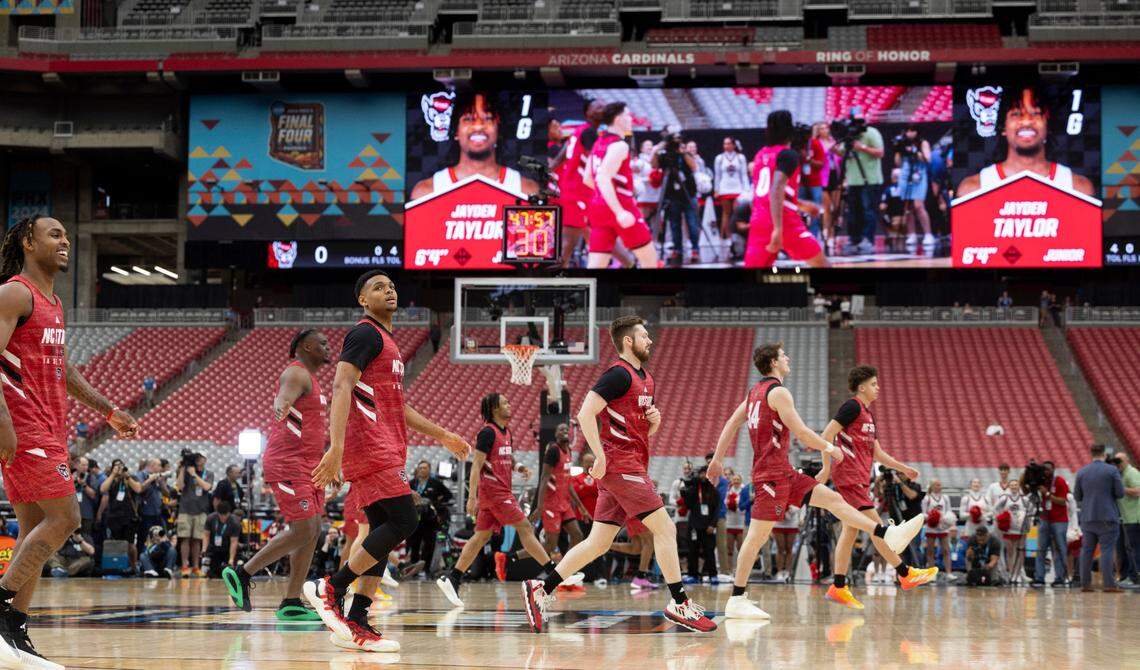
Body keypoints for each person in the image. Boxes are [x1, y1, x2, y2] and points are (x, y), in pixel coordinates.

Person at [0, 214, 140, 669]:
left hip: (50, 429)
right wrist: (3, 422)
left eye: (66, 235)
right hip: (25, 429)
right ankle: (1, 607)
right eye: (54, 234)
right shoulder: (15, 292)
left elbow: (65, 370)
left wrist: (107, 409)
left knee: (32, 531)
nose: (65, 241)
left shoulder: (53, 303)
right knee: (66, 518)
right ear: (27, 241)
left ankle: (14, 634)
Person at [306, 270, 471, 654]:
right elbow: (341, 385)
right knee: (405, 519)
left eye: (391, 285)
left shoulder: (388, 342)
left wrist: (442, 434)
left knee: (384, 532)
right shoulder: (364, 333)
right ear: (363, 300)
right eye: (378, 287)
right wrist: (335, 447)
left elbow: (398, 405)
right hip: (370, 445)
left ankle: (358, 619)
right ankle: (330, 587)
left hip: (387, 445)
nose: (389, 289)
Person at [521, 315, 716, 633]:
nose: (649, 340)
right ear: (629, 341)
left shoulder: (647, 379)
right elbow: (585, 414)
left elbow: (642, 431)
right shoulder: (617, 374)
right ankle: (679, 603)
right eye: (644, 335)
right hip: (621, 465)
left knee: (597, 543)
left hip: (630, 465)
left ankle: (540, 588)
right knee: (665, 529)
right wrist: (599, 455)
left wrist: (655, 421)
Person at [708, 342, 925, 620]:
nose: (787, 358)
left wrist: (717, 459)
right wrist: (829, 447)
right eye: (783, 355)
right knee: (757, 537)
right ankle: (737, 598)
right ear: (774, 362)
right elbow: (800, 431)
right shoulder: (779, 392)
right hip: (770, 476)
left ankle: (885, 534)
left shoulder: (753, 393)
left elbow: (730, 423)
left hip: (784, 472)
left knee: (833, 500)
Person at [223, 328, 332, 621]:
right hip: (288, 461)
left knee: (313, 532)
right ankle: (243, 573)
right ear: (306, 347)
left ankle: (291, 602)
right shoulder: (295, 374)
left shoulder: (314, 381)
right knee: (304, 529)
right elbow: (282, 397)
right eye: (322, 343)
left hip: (309, 464)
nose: (328, 346)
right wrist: (280, 406)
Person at [816, 365, 937, 610]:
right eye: (873, 384)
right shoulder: (851, 407)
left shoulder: (869, 416)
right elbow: (826, 435)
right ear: (862, 387)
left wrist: (903, 468)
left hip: (860, 478)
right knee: (877, 528)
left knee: (851, 531)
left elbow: (878, 453)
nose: (878, 387)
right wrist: (827, 468)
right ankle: (905, 573)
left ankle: (838, 586)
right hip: (848, 477)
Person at [436, 393, 555, 608]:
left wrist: (518, 467)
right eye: (505, 402)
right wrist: (471, 497)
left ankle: (452, 578)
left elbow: (508, 457)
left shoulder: (506, 432)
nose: (510, 404)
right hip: (494, 492)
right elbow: (476, 465)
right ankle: (553, 572)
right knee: (525, 527)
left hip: (499, 491)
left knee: (480, 537)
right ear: (494, 409)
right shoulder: (487, 433)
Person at [956, 85, 1095, 198]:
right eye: (1016, 114)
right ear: (1003, 127)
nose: (1027, 121)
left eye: (1036, 113)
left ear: (1048, 125)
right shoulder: (973, 190)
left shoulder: (1078, 189)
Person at [409, 91, 539, 200]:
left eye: (487, 118)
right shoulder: (427, 192)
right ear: (456, 132)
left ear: (498, 129)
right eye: (468, 119)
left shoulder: (526, 191)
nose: (478, 126)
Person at [744, 110, 828, 269]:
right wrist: (777, 229)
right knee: (822, 265)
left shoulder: (760, 154)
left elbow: (770, 192)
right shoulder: (788, 155)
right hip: (784, 222)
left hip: (759, 222)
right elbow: (776, 190)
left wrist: (802, 205)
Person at [585, 103, 659, 269]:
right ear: (618, 119)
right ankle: (649, 294)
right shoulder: (620, 145)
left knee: (596, 265)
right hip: (621, 205)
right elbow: (603, 178)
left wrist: (604, 198)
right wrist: (619, 210)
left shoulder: (598, 143)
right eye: (627, 115)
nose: (631, 119)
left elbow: (588, 178)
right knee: (650, 261)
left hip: (598, 208)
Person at [552, 99, 605, 267]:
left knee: (593, 231)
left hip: (574, 189)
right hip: (576, 191)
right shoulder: (589, 132)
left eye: (603, 106)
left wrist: (550, 169)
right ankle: (556, 278)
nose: (602, 108)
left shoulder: (580, 130)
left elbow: (562, 154)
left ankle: (608, 261)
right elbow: (596, 162)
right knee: (569, 242)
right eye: (598, 106)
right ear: (588, 113)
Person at [529, 423, 588, 561]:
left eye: (567, 429)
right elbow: (544, 478)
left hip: (564, 503)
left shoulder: (569, 450)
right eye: (561, 429)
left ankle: (564, 568)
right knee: (550, 545)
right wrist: (540, 506)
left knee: (577, 535)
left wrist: (581, 506)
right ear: (556, 434)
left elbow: (568, 483)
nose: (565, 431)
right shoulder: (553, 451)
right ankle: (514, 558)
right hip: (551, 504)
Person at [1075, 444, 1125, 592]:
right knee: (1107, 550)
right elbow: (1120, 493)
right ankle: (1109, 584)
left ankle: (1085, 584)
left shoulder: (1082, 472)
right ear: (1104, 454)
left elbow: (1077, 496)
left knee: (1087, 550)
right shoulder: (1112, 470)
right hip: (1107, 516)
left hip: (1088, 517)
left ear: (1091, 453)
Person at [838, 112, 885, 255]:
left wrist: (862, 147)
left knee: (868, 210)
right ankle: (854, 239)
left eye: (860, 121)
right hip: (853, 180)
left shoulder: (872, 133)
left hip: (870, 179)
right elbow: (842, 152)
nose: (858, 125)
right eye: (855, 122)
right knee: (853, 212)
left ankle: (868, 239)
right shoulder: (848, 136)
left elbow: (880, 153)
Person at [408, 460, 452, 575]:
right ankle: (413, 569)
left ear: (429, 470)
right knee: (414, 543)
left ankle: (427, 569)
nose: (422, 470)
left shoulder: (435, 483)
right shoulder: (411, 483)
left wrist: (436, 502)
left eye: (425, 468)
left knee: (429, 543)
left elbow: (448, 495)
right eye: (420, 468)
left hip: (430, 519)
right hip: (414, 518)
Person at [893, 124, 934, 250]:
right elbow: (898, 162)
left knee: (918, 205)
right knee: (908, 206)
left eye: (912, 130)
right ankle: (912, 234)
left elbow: (928, 159)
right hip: (905, 175)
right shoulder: (903, 143)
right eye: (907, 131)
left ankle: (928, 234)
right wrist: (899, 150)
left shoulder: (922, 143)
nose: (909, 133)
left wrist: (915, 151)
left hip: (919, 175)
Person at [1031, 461, 1071, 587]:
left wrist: (1047, 494)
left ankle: (1059, 578)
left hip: (1059, 520)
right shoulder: (1041, 481)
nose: (1046, 471)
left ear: (1053, 469)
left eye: (1048, 469)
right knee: (1041, 549)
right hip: (1045, 519)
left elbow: (1062, 501)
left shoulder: (1059, 481)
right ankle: (1039, 578)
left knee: (1058, 549)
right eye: (1044, 469)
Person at [99, 458, 142, 573]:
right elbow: (103, 489)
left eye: (121, 466)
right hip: (114, 516)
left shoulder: (131, 478)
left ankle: (134, 566)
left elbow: (138, 489)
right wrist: (113, 474)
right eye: (116, 466)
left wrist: (127, 476)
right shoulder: (111, 479)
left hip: (129, 517)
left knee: (130, 544)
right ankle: (118, 566)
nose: (119, 468)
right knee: (116, 544)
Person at [174, 453, 214, 577]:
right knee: (184, 538)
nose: (198, 460)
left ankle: (196, 567)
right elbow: (180, 486)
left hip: (201, 510)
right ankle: (185, 566)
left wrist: (194, 475)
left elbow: (207, 487)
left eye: (200, 457)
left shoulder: (209, 474)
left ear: (205, 459)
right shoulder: (186, 471)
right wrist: (181, 469)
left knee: (197, 540)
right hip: (185, 509)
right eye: (196, 457)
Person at [681, 466, 719, 583]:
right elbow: (687, 505)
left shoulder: (713, 490)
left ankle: (713, 575)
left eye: (705, 474)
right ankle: (693, 575)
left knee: (709, 551)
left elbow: (717, 510)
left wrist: (712, 525)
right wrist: (684, 492)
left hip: (708, 527)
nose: (703, 476)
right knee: (693, 551)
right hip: (694, 527)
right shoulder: (694, 489)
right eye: (701, 474)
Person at [714, 137, 750, 241]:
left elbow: (744, 175)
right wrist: (716, 190)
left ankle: (736, 238)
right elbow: (717, 175)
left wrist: (746, 190)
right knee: (726, 213)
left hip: (738, 189)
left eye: (729, 143)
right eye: (725, 144)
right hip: (724, 189)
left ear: (734, 145)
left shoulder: (741, 158)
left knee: (737, 214)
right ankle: (725, 238)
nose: (727, 146)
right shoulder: (719, 158)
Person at [994, 483, 1029, 583]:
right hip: (1008, 529)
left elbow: (1032, 510)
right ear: (1010, 487)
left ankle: (1017, 575)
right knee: (1010, 552)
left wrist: (1025, 517)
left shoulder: (1024, 499)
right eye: (1012, 485)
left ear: (1019, 487)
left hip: (1019, 529)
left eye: (1016, 485)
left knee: (1019, 552)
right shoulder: (1005, 498)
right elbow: (995, 508)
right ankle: (1011, 574)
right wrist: (1000, 518)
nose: (1014, 487)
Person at [1114, 452, 1140, 584]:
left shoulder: (1132, 472)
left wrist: (1121, 489)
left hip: (1134, 517)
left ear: (1127, 460)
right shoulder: (1122, 474)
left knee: (1134, 549)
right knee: (1128, 548)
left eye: (1121, 461)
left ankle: (1135, 578)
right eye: (1117, 461)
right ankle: (1129, 576)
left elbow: (1137, 491)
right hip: (1126, 517)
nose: (1118, 464)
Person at [134, 459, 169, 555]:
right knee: (144, 538)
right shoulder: (140, 475)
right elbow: (139, 489)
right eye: (159, 465)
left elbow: (167, 494)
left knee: (160, 537)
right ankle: (142, 560)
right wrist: (150, 479)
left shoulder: (158, 477)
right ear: (152, 465)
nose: (161, 468)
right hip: (145, 512)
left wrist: (161, 482)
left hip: (157, 512)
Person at [922, 479, 955, 574]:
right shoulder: (927, 498)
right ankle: (931, 574)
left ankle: (949, 573)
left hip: (943, 528)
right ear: (932, 486)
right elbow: (923, 513)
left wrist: (945, 519)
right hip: (931, 528)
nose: (939, 487)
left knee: (946, 550)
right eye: (937, 485)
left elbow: (949, 511)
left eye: (940, 485)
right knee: (930, 551)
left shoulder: (945, 498)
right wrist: (932, 517)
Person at [204, 500, 241, 578]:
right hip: (214, 549)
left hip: (228, 548)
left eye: (225, 515)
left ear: (229, 513)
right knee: (212, 573)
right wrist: (204, 550)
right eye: (221, 515)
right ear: (217, 513)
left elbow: (234, 542)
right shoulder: (211, 518)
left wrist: (231, 559)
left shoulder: (234, 522)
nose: (223, 517)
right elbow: (206, 535)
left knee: (229, 571)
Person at [73, 456, 104, 537]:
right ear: (76, 465)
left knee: (86, 536)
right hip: (73, 513)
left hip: (86, 513)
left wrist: (84, 484)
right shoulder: (70, 476)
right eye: (83, 465)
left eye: (86, 465)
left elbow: (93, 495)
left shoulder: (91, 477)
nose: (85, 467)